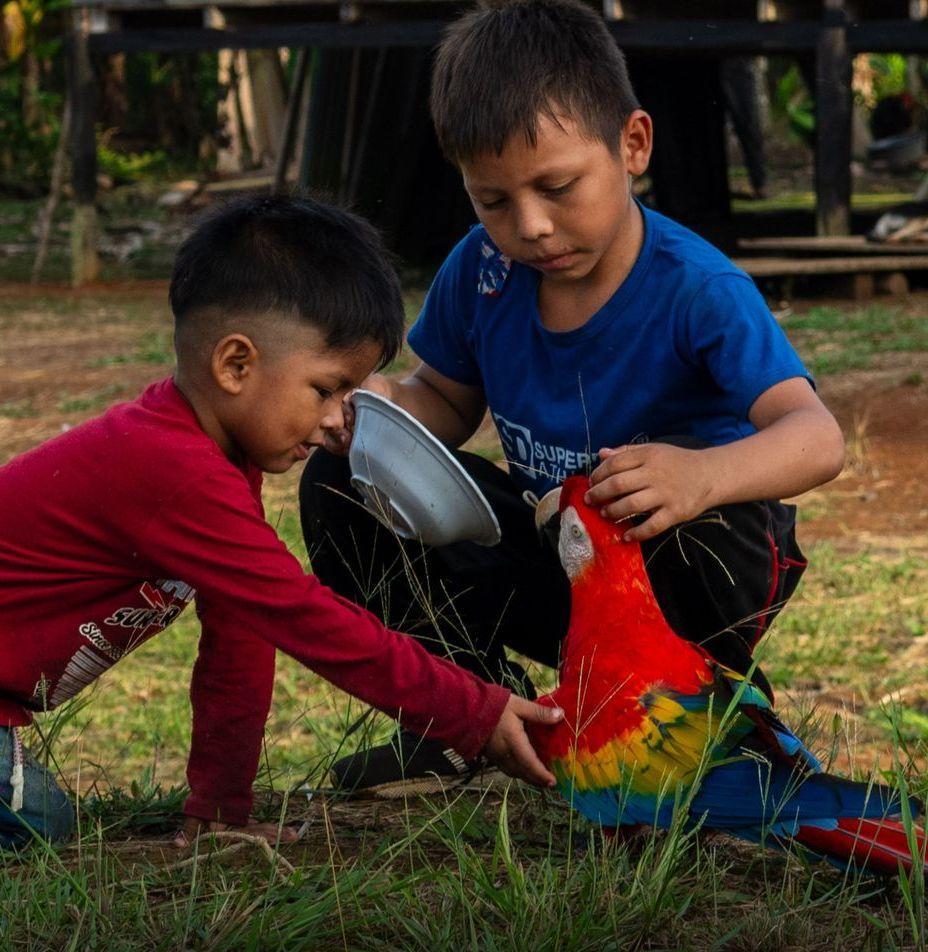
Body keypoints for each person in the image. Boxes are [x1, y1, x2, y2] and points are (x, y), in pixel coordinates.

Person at [300, 0, 846, 797]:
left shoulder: (697, 287)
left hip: (688, 565)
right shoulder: (482, 272)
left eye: (557, 187)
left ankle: (707, 720)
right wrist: (383, 407)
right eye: (493, 201)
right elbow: (445, 402)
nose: (530, 226)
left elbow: (817, 437)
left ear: (633, 145)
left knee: (666, 515)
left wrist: (700, 476)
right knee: (341, 482)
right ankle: (465, 719)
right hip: (559, 559)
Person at [0, 195, 565, 851]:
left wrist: (221, 806)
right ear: (235, 365)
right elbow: (305, 619)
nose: (338, 418)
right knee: (37, 823)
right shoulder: (171, 468)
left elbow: (242, 635)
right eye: (327, 388)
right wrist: (472, 712)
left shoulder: (215, 458)